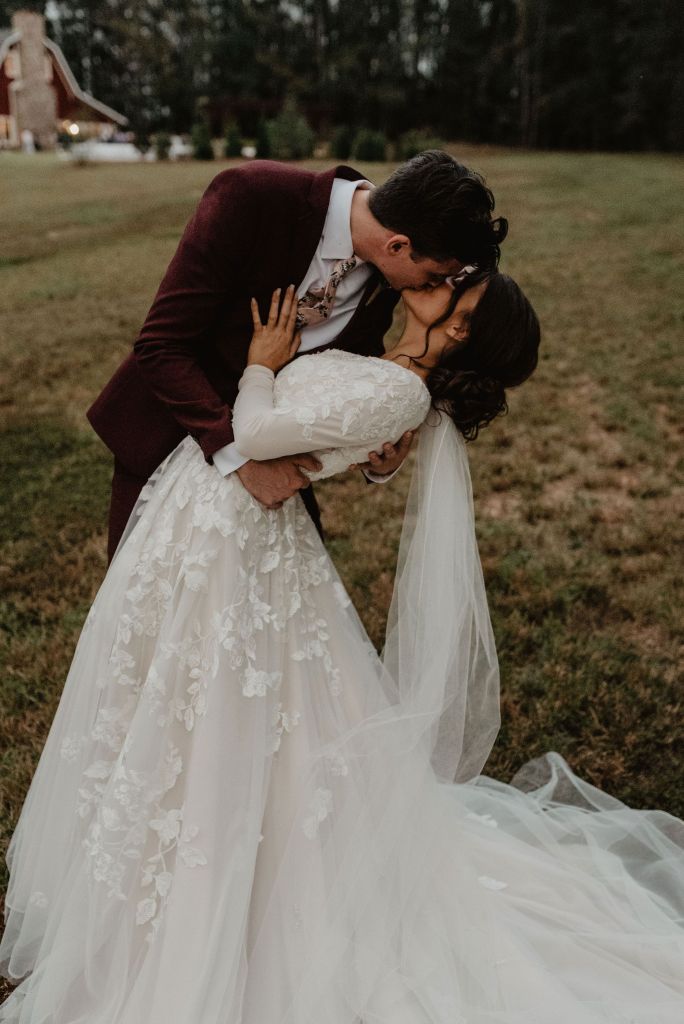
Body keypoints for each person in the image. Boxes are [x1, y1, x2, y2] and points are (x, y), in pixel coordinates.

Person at [2, 272, 684, 1024]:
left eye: (459, 289)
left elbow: (257, 437)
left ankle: (212, 891)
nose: (443, 279)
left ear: (460, 329)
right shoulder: (387, 369)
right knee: (191, 695)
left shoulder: (401, 392)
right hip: (215, 521)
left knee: (221, 702)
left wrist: (261, 365)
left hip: (236, 535)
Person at [84, 150, 508, 562]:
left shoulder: (387, 276)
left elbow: (349, 371)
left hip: (278, 470)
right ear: (397, 245)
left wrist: (378, 458)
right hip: (169, 443)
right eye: (432, 276)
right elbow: (161, 344)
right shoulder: (252, 196)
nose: (431, 288)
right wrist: (240, 459)